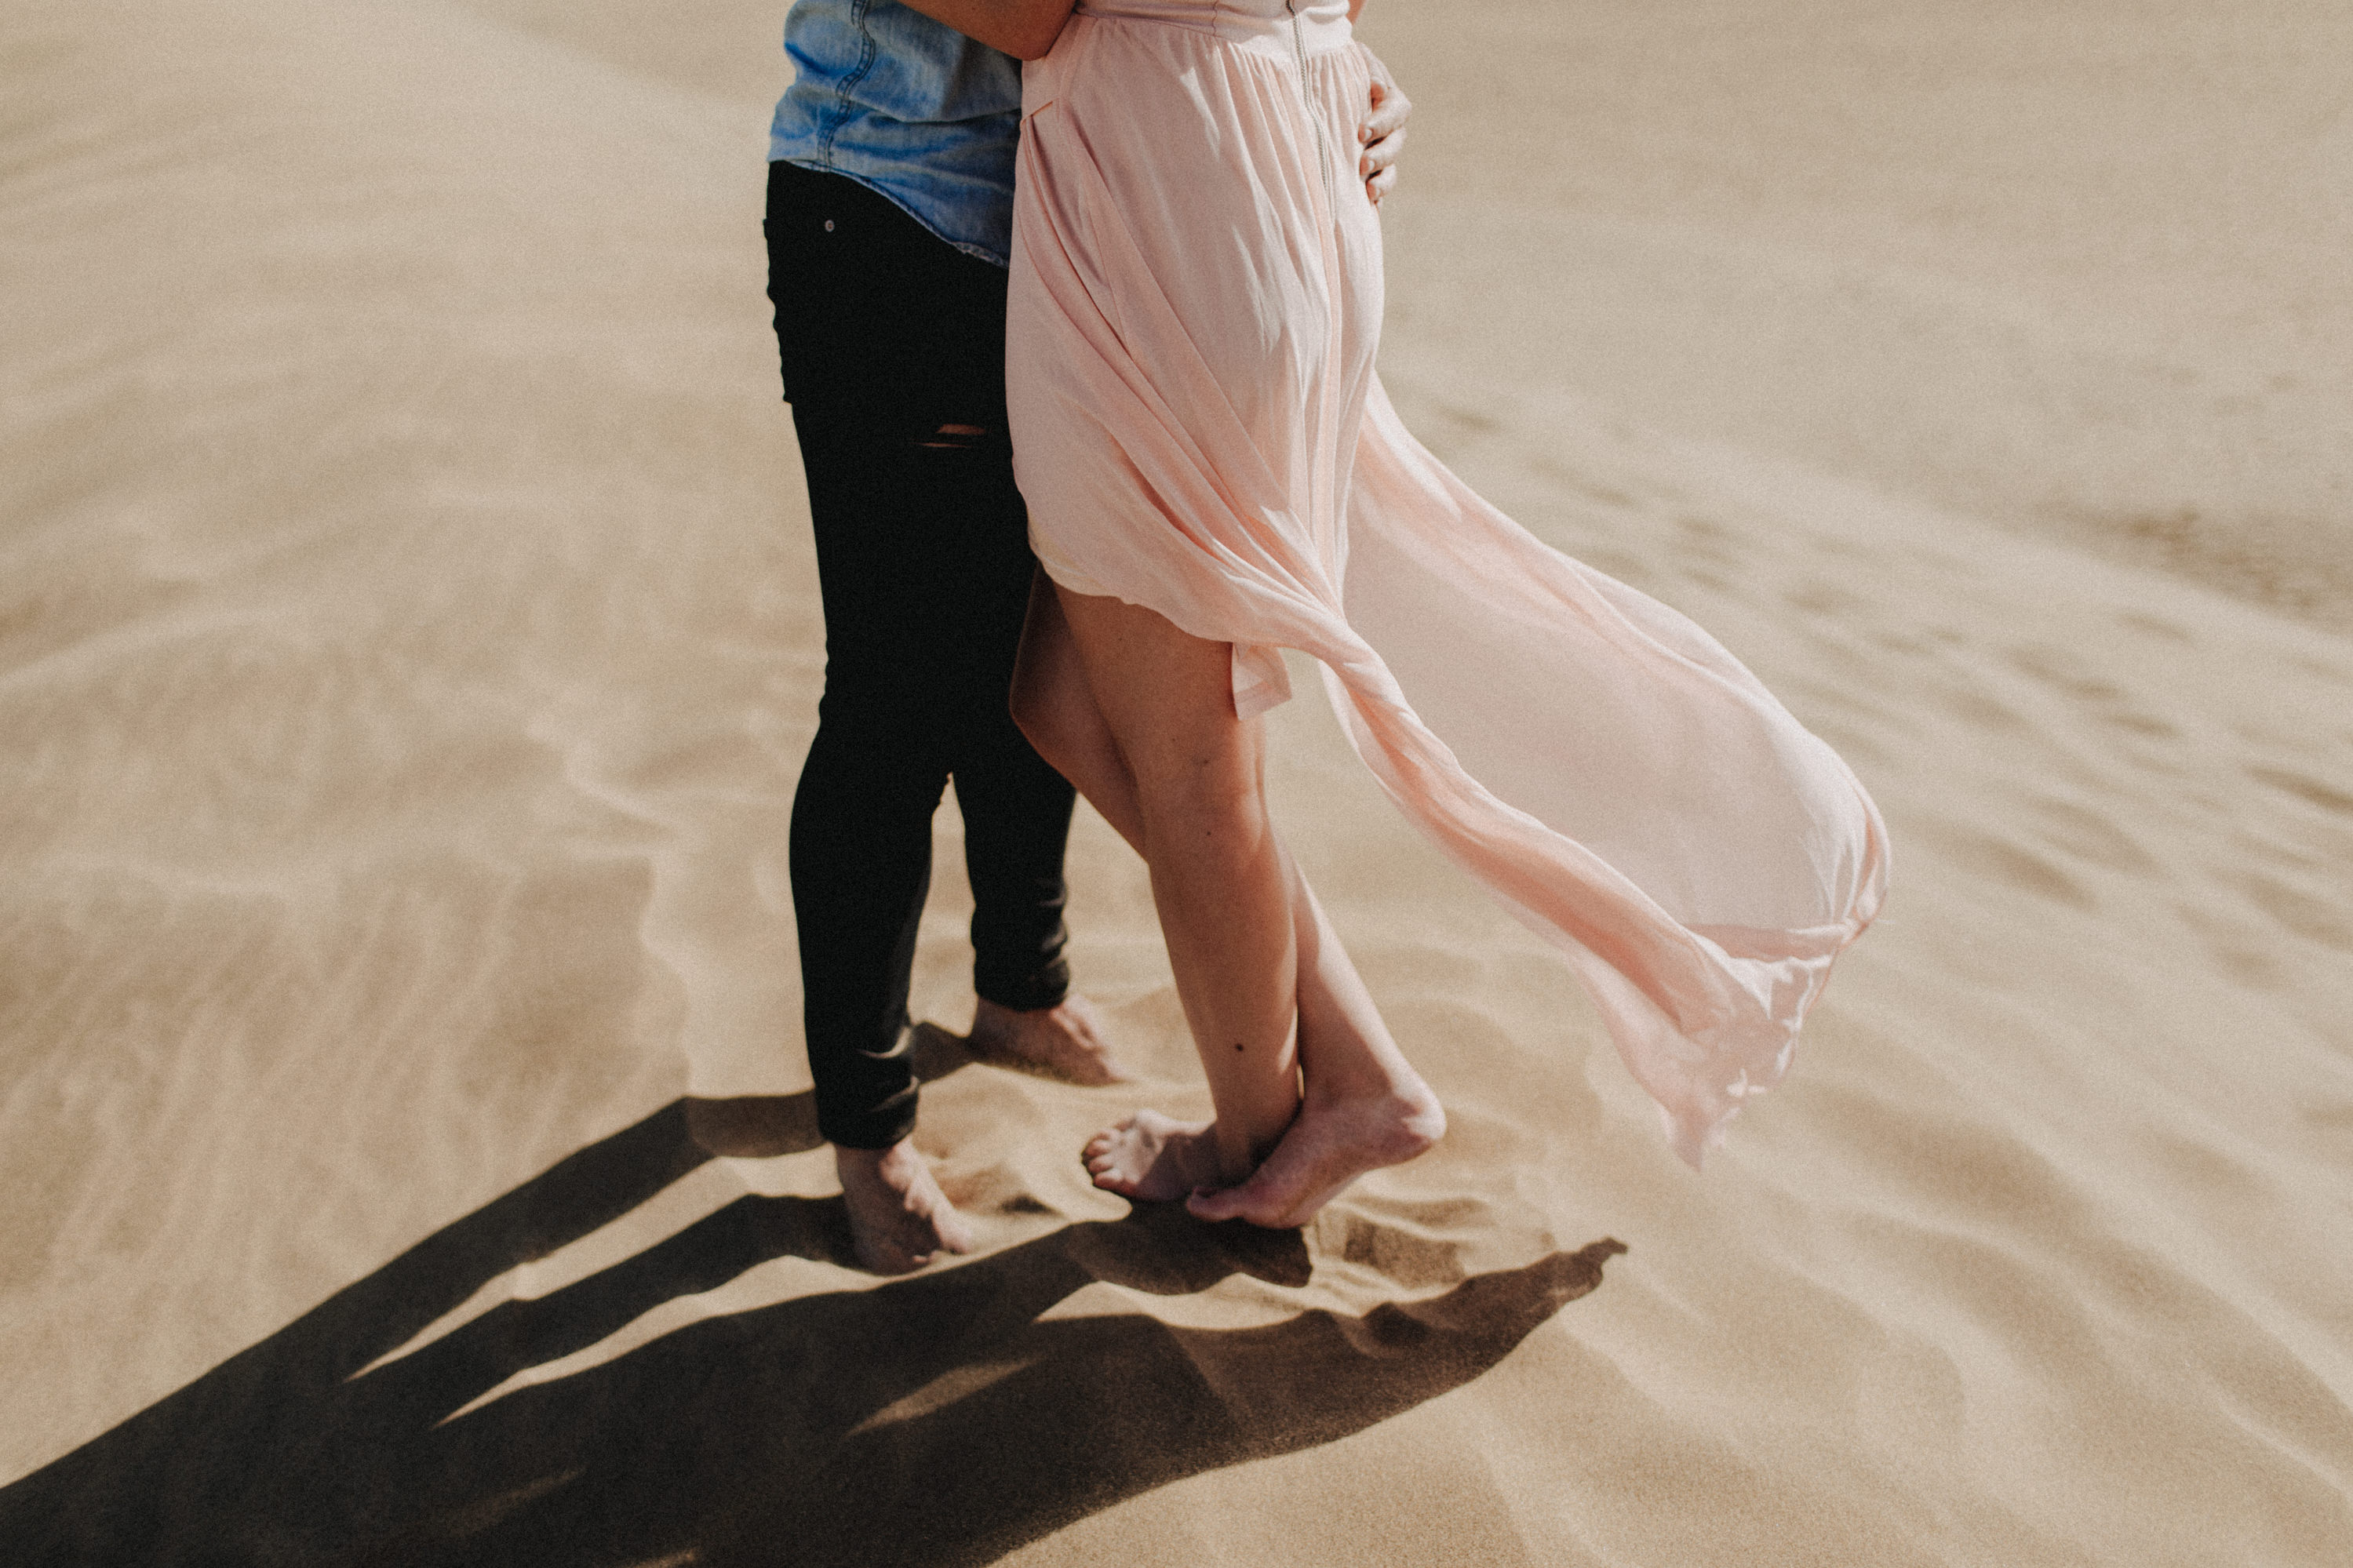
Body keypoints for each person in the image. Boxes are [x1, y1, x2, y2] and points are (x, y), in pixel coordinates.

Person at [923, 0, 1890, 1226]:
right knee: (1061, 696)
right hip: (1253, 169)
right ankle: (1358, 1067)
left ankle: (1254, 1144)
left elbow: (1033, 11)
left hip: (1179, 207)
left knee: (1193, 761)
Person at [763, 0, 1417, 1271]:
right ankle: (868, 1128)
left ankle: (1022, 987)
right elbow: (1042, 11)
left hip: (1118, 223)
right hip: (909, 209)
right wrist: (1257, 46)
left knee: (1046, 668)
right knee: (898, 702)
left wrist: (1322, 61)